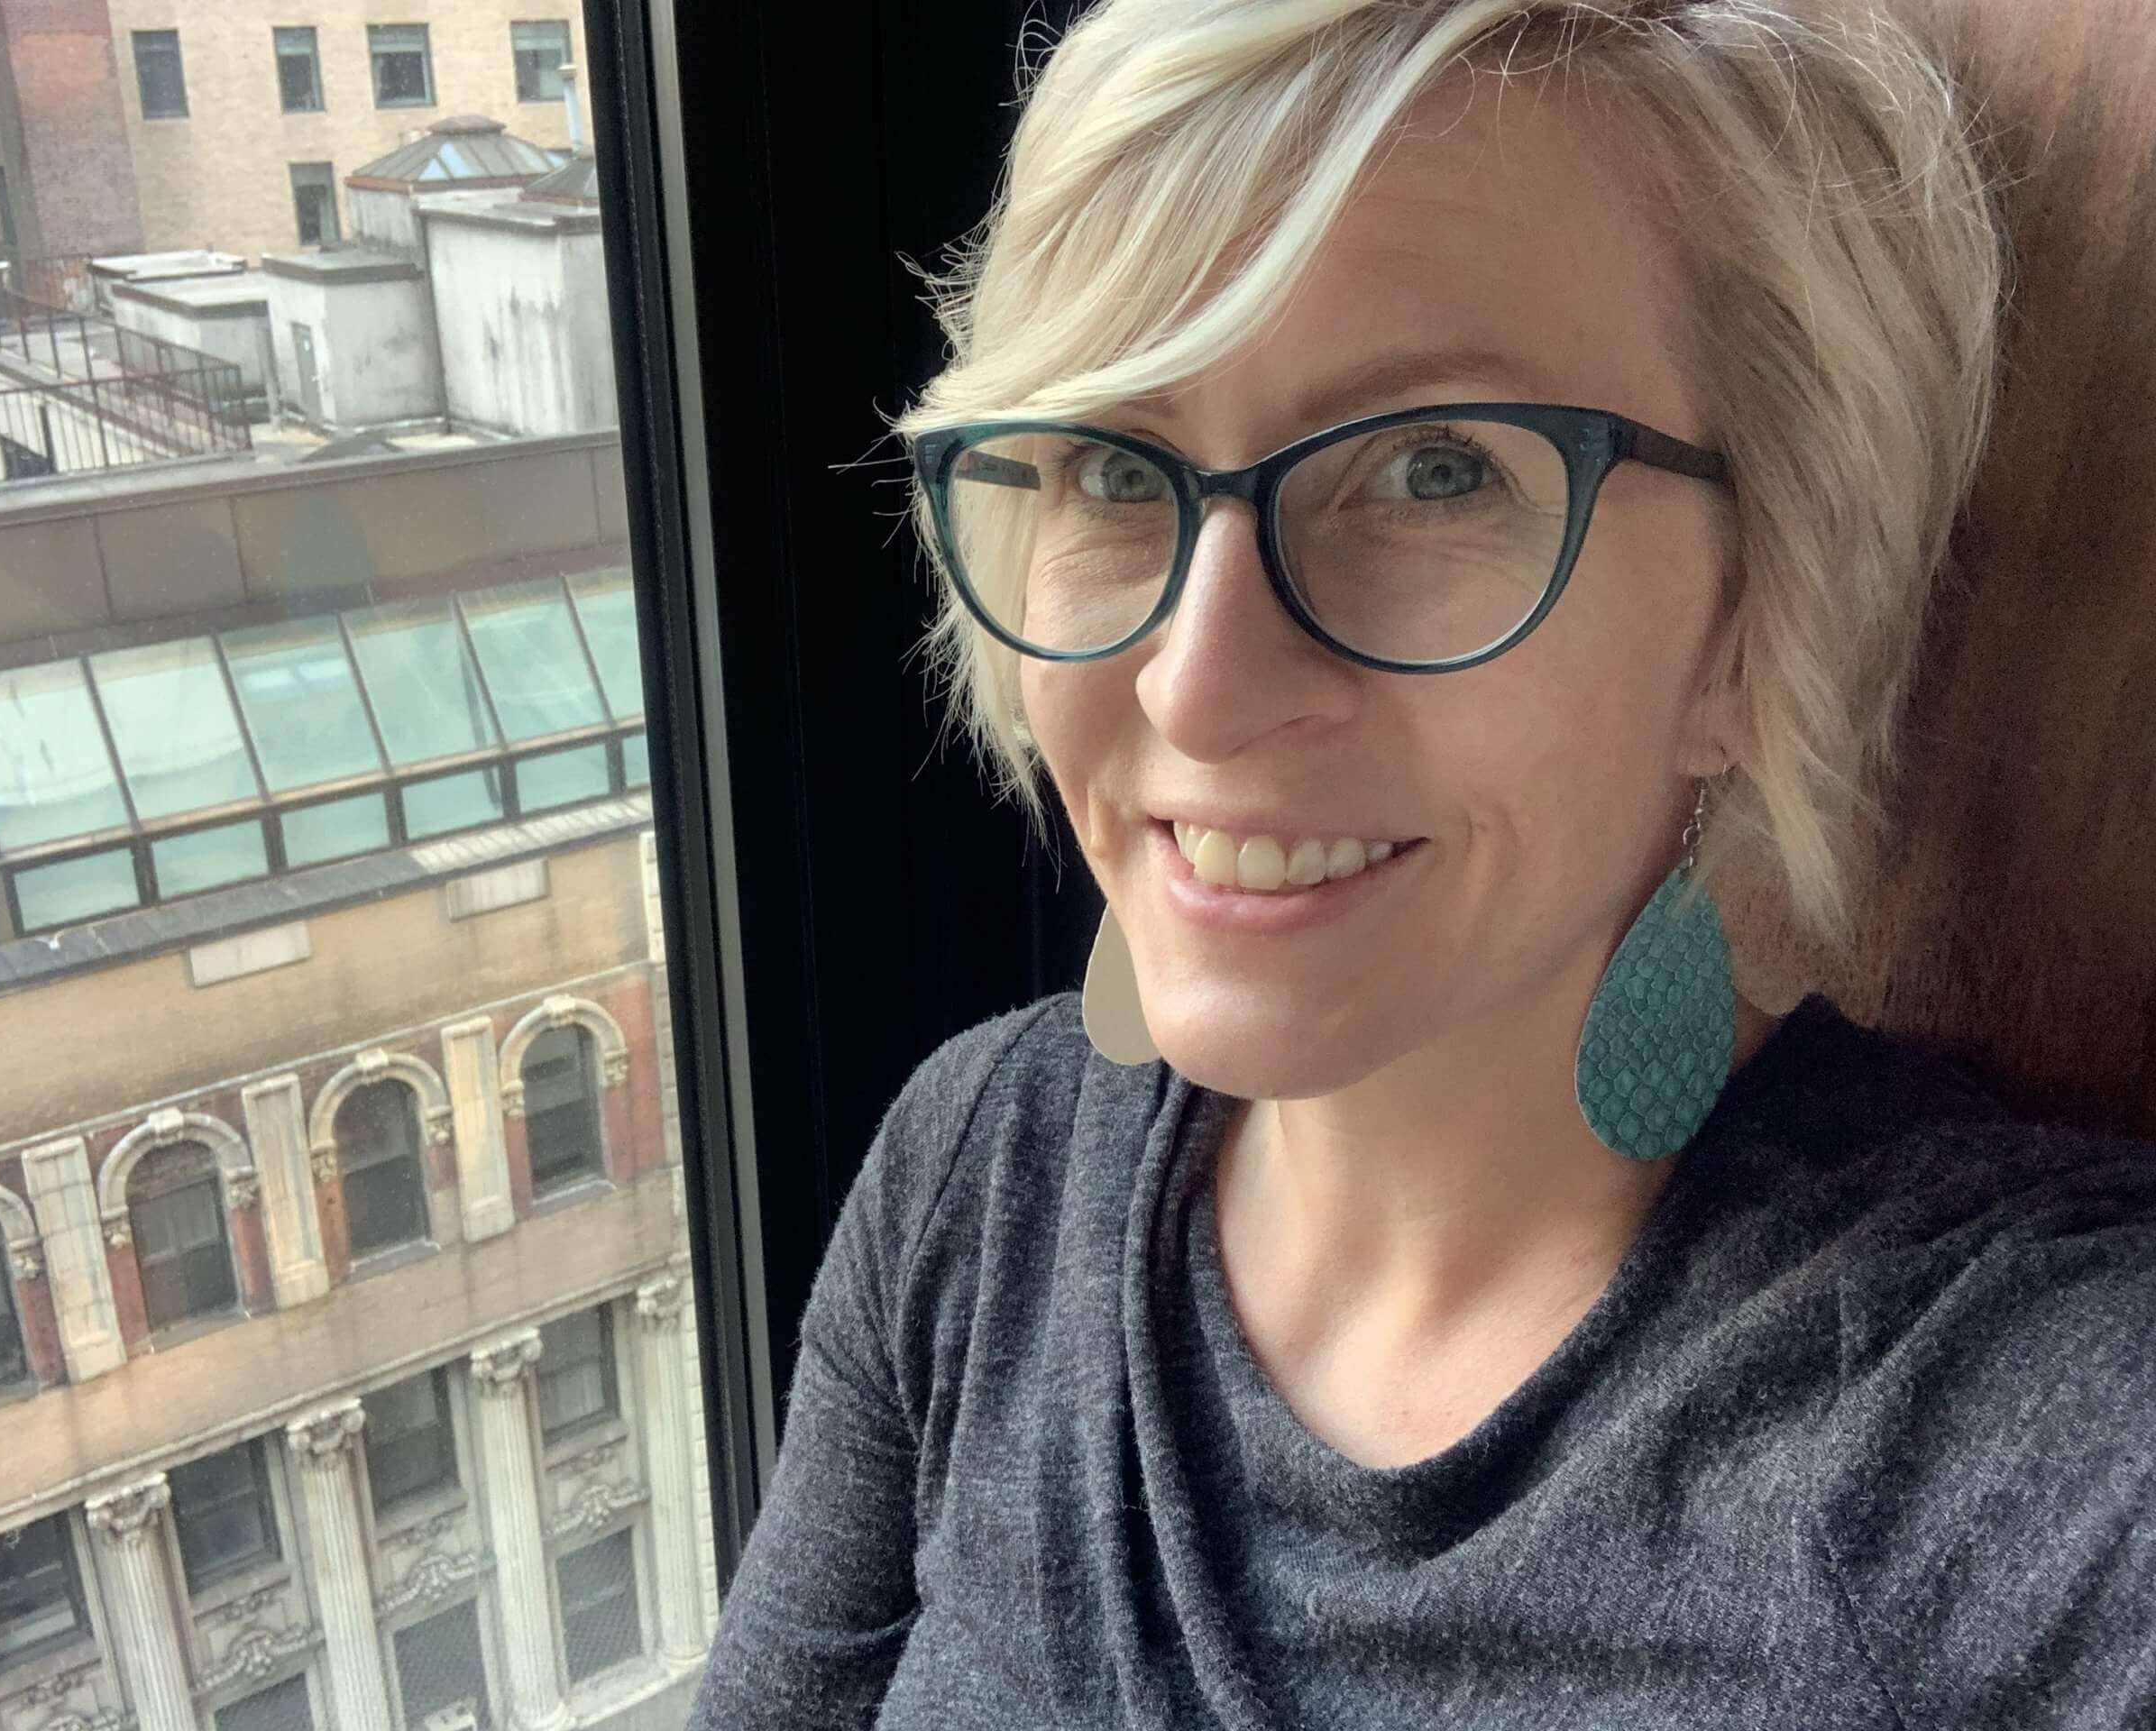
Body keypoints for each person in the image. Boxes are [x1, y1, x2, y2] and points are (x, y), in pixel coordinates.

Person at [692, 2, 2156, 1726]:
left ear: (1760, 616)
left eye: (1433, 469)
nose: (1195, 687)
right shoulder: (976, 1174)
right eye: (1107, 465)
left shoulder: (2010, 1426)